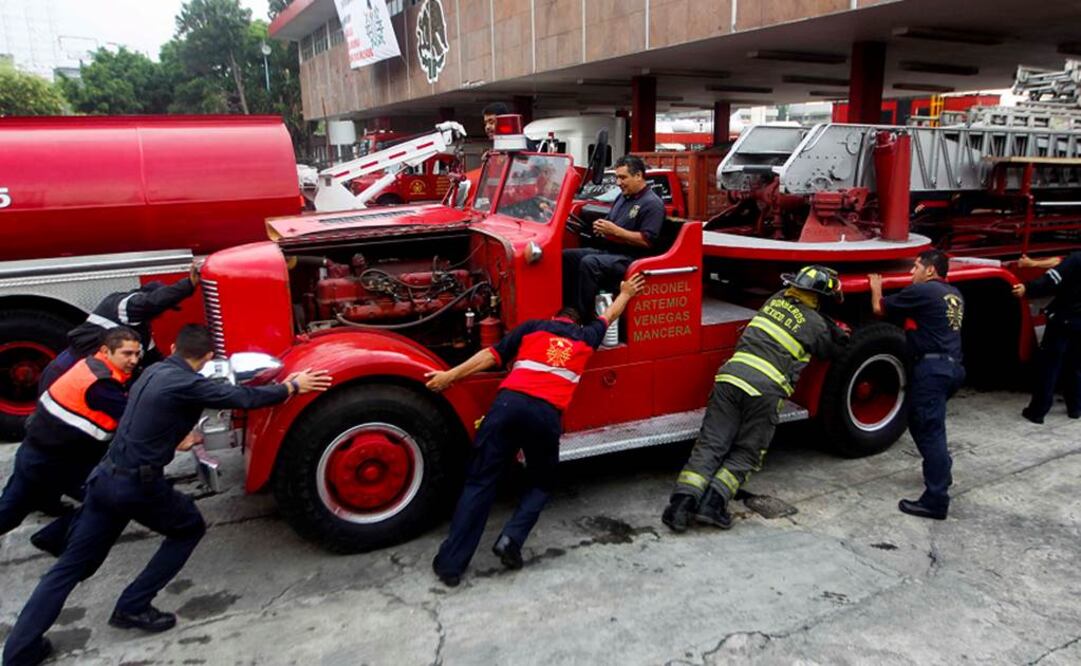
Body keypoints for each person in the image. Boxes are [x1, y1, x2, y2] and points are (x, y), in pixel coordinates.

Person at [2, 325, 332, 666]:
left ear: (174, 346)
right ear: (206, 358)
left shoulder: (153, 372)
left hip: (105, 477)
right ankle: (133, 606)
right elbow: (244, 399)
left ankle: (18, 650)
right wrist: (292, 386)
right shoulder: (189, 384)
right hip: (138, 485)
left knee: (69, 569)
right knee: (188, 528)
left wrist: (175, 434)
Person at [426, 274, 646, 587]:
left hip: (506, 407)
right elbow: (609, 315)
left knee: (480, 482)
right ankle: (511, 540)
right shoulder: (586, 336)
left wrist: (450, 376)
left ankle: (450, 566)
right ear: (575, 322)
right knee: (542, 482)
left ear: (554, 317)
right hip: (544, 416)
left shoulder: (532, 328)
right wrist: (626, 292)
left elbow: (491, 356)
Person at [663, 266, 850, 532]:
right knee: (746, 452)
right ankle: (712, 506)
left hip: (729, 378)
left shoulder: (774, 300)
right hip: (765, 389)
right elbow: (834, 349)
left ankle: (679, 509)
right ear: (821, 298)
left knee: (711, 445)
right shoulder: (817, 325)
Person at [0, 327, 141, 557]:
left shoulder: (89, 366)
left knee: (10, 510)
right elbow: (134, 419)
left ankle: (52, 534)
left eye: (137, 354)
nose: (133, 360)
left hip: (34, 452)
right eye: (127, 354)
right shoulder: (102, 386)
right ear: (106, 351)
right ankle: (53, 538)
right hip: (56, 462)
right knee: (108, 499)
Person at [869, 249, 965, 521]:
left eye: (915, 267)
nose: (912, 273)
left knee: (931, 430)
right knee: (919, 421)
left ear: (931, 270)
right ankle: (941, 468)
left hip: (932, 370)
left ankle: (935, 500)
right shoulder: (954, 294)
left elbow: (880, 309)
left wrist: (877, 287)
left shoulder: (924, 292)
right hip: (952, 367)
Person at [38, 264, 201, 392]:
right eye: (162, 308)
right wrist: (188, 285)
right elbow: (152, 302)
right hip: (66, 371)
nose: (161, 313)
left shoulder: (141, 329)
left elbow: (153, 362)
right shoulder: (123, 305)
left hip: (90, 378)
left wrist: (185, 373)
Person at [562, 155, 664, 320]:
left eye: (623, 177)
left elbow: (647, 240)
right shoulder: (622, 197)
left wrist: (616, 231)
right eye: (617, 177)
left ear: (638, 175)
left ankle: (580, 316)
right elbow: (611, 223)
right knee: (567, 256)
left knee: (590, 263)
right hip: (610, 251)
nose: (618, 182)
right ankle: (566, 305)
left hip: (632, 259)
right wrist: (601, 227)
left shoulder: (653, 204)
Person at [1012, 251, 1081, 423]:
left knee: (1050, 366)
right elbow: (1059, 260)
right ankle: (1075, 408)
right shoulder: (1073, 259)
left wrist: (1027, 288)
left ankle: (1038, 411)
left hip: (1063, 320)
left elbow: (1052, 279)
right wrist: (1032, 263)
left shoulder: (1076, 259)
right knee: (1076, 366)